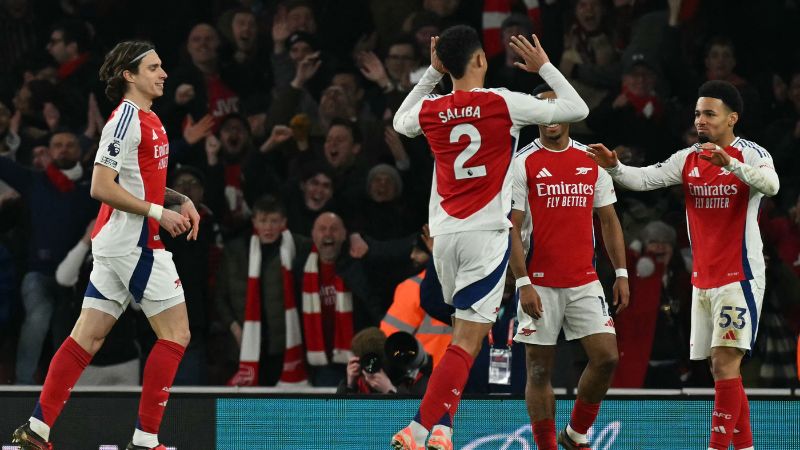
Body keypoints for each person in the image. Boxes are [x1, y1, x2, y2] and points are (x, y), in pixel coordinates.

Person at [391, 25, 589, 450]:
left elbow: (399, 122)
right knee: (468, 340)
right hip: (486, 235)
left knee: (466, 334)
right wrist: (546, 67)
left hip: (444, 237)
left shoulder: (432, 109)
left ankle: (444, 428)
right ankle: (419, 428)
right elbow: (577, 108)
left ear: (446, 65)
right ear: (480, 60)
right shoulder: (504, 103)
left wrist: (430, 74)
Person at [12, 40, 201, 450]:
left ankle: (37, 429)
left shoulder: (148, 118)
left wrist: (179, 199)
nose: (163, 73)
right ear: (129, 76)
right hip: (134, 242)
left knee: (87, 337)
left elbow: (139, 180)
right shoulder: (124, 120)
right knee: (177, 334)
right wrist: (157, 213)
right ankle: (146, 440)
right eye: (153, 67)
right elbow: (100, 186)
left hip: (117, 242)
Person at [587, 80, 780, 450]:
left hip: (740, 276)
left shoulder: (753, 154)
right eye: (697, 113)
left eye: (709, 113)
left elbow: (771, 186)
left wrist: (733, 166)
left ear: (732, 118)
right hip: (703, 279)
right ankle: (746, 447)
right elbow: (645, 179)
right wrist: (615, 166)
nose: (701, 120)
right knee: (721, 369)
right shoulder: (688, 158)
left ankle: (717, 447)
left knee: (725, 363)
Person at [507, 83, 629, 450]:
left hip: (584, 281)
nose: (549, 117)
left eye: (555, 107)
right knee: (540, 370)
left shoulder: (591, 159)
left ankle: (575, 435)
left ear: (568, 113)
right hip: (539, 282)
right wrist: (523, 282)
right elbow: (511, 227)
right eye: (540, 109)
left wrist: (621, 273)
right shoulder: (522, 162)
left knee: (607, 357)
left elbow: (608, 220)